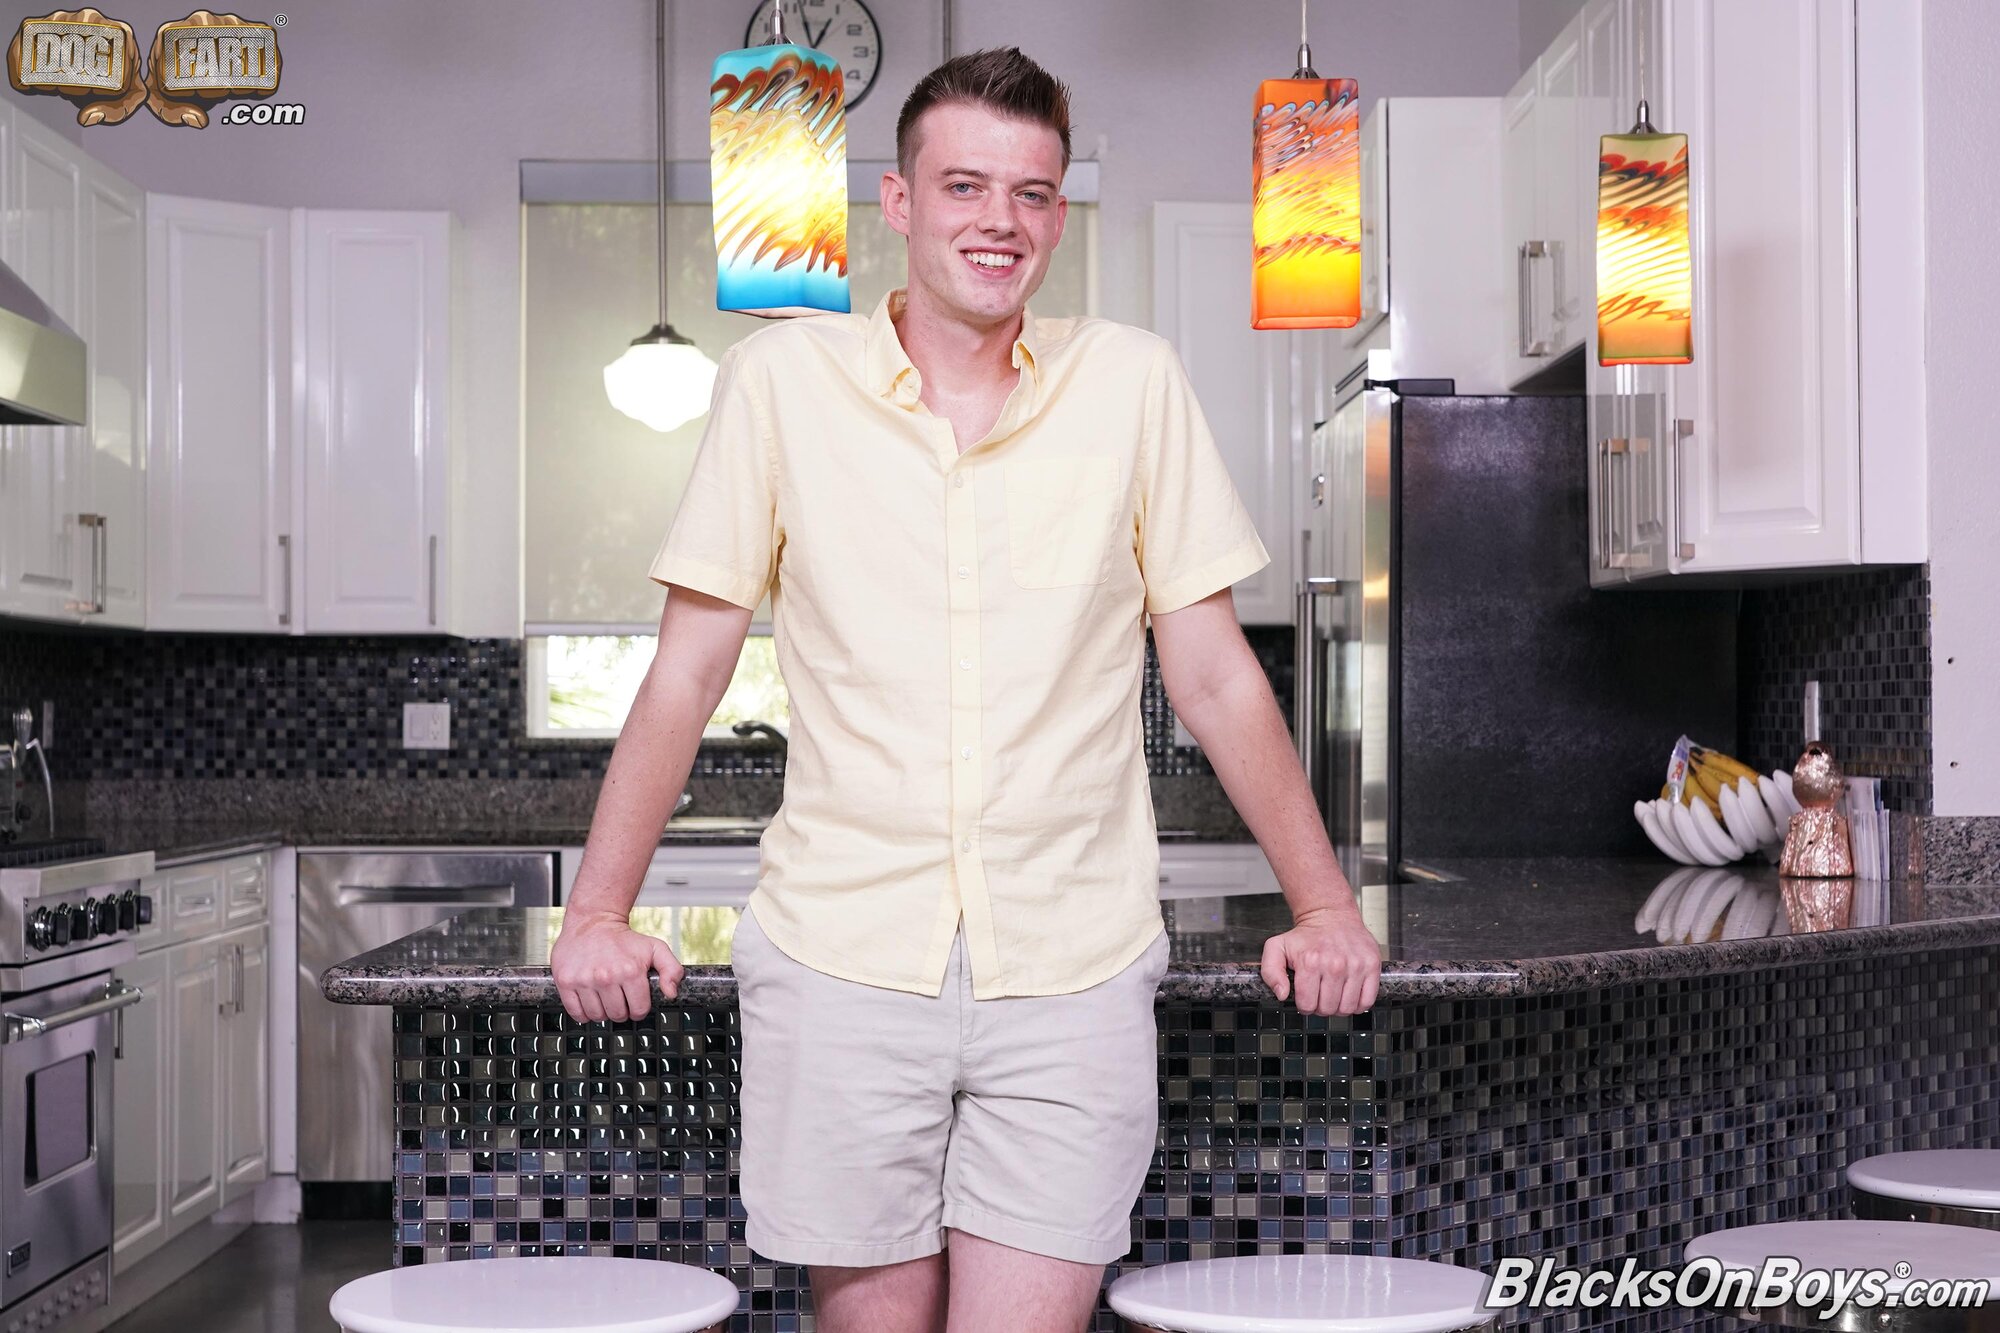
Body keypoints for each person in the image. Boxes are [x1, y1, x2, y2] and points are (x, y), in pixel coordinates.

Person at [551, 46, 1383, 1333]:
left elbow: (1214, 675)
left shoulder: (1132, 383)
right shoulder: (778, 386)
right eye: (964, 186)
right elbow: (690, 668)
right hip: (840, 961)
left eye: (1032, 193)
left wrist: (1323, 904)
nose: (1000, 220)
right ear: (897, 201)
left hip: (1071, 966)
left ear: (1057, 214)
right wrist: (596, 911)